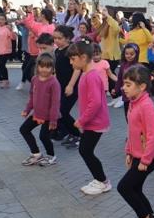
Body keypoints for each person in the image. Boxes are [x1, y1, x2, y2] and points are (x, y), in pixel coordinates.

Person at [117, 65, 154, 218]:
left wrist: (145, 160)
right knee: (134, 188)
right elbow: (133, 130)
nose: (124, 87)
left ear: (142, 86)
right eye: (124, 84)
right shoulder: (133, 102)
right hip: (138, 154)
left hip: (150, 156)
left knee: (124, 187)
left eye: (128, 84)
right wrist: (129, 151)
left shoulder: (146, 106)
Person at [68, 41, 112, 195]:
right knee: (85, 150)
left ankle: (103, 181)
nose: (71, 62)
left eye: (73, 59)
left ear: (83, 57)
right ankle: (99, 179)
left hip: (96, 122)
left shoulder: (91, 76)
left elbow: (95, 103)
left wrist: (82, 120)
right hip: (91, 121)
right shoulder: (86, 73)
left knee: (85, 150)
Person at [20, 54, 61, 166]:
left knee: (43, 136)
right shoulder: (34, 79)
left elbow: (55, 103)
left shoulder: (54, 83)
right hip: (37, 114)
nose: (44, 69)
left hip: (49, 116)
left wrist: (53, 120)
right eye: (42, 66)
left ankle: (51, 156)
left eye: (48, 67)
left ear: (52, 68)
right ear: (37, 66)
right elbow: (32, 96)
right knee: (24, 130)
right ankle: (36, 154)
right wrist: (27, 110)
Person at [51, 25, 82, 147]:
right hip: (60, 86)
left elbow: (77, 69)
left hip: (72, 87)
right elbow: (58, 69)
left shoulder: (72, 50)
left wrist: (70, 85)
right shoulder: (58, 51)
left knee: (62, 111)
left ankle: (78, 135)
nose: (56, 41)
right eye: (55, 38)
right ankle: (69, 133)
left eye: (59, 38)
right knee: (59, 112)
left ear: (68, 38)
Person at [17, 7, 55, 90]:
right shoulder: (40, 25)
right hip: (37, 52)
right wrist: (27, 14)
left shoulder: (51, 27)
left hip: (46, 54)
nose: (39, 17)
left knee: (37, 71)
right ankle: (36, 85)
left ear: (43, 16)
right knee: (29, 70)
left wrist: (37, 38)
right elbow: (30, 24)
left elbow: (48, 41)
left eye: (41, 15)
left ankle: (41, 86)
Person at [111, 43, 140, 114]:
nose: (129, 56)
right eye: (127, 53)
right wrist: (116, 89)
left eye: (131, 54)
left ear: (136, 54)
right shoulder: (123, 65)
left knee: (134, 116)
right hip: (126, 95)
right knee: (127, 116)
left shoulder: (138, 67)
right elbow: (120, 78)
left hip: (135, 96)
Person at [0, 13, 17, 88]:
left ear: (5, 21)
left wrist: (12, 30)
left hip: (6, 50)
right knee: (1, 65)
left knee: (2, 65)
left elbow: (13, 38)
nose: (0, 21)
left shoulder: (7, 29)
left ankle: (5, 81)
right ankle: (6, 80)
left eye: (2, 19)